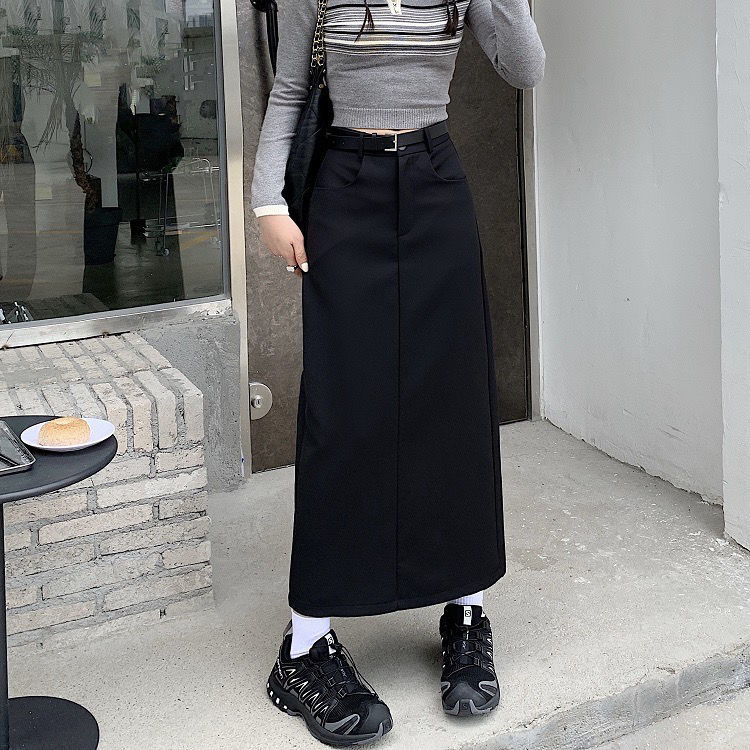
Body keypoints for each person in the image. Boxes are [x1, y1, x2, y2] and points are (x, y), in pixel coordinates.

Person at [250, 0, 545, 744]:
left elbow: (525, 68)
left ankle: (466, 613)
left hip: (437, 179)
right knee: (343, 412)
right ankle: (305, 645)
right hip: (344, 187)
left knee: (453, 405)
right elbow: (290, 88)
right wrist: (267, 202)